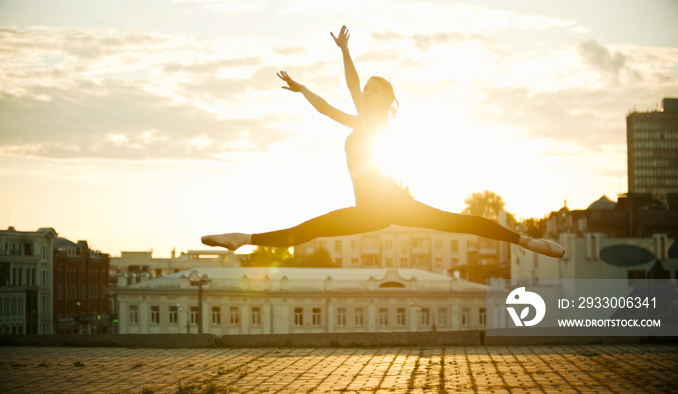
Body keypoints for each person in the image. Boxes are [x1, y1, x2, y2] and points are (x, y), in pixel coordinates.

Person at [202, 26, 565, 259]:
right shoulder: (362, 122)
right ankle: (242, 237)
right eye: (365, 89)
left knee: (458, 223)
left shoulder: (375, 121)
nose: (363, 91)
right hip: (371, 210)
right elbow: (328, 108)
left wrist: (344, 52)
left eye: (372, 89)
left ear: (383, 97)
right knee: (306, 232)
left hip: (387, 202)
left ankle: (525, 241)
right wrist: (302, 90)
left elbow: (348, 85)